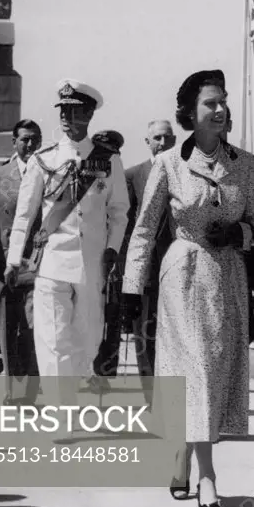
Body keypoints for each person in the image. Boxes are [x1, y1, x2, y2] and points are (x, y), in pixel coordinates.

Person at [123, 69, 254, 507]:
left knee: (213, 370)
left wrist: (239, 231)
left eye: (224, 101)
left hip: (227, 277)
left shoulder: (245, 163)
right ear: (190, 113)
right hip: (182, 276)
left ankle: (179, 457)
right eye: (211, 103)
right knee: (196, 371)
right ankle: (208, 477)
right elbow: (146, 228)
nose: (222, 109)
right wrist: (132, 287)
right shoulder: (168, 163)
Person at [6, 80, 129, 387]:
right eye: (62, 109)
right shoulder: (43, 159)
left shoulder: (108, 160)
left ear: (88, 114)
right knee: (54, 337)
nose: (65, 116)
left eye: (73, 110)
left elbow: (119, 212)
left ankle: (77, 386)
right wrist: (12, 260)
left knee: (87, 337)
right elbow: (24, 215)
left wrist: (112, 249)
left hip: (92, 262)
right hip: (51, 262)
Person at [102, 119, 177, 378]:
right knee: (145, 335)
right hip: (145, 272)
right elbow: (125, 228)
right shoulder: (133, 176)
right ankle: (151, 396)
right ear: (147, 142)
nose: (163, 143)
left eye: (167, 137)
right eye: (157, 138)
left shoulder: (189, 173)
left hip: (179, 270)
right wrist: (127, 273)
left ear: (176, 140)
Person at [0, 119, 43, 403]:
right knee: (7, 328)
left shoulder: (50, 174)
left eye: (34, 139)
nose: (29, 145)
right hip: (6, 267)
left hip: (39, 265)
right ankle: (10, 389)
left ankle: (29, 391)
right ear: (14, 142)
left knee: (33, 328)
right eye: (24, 139)